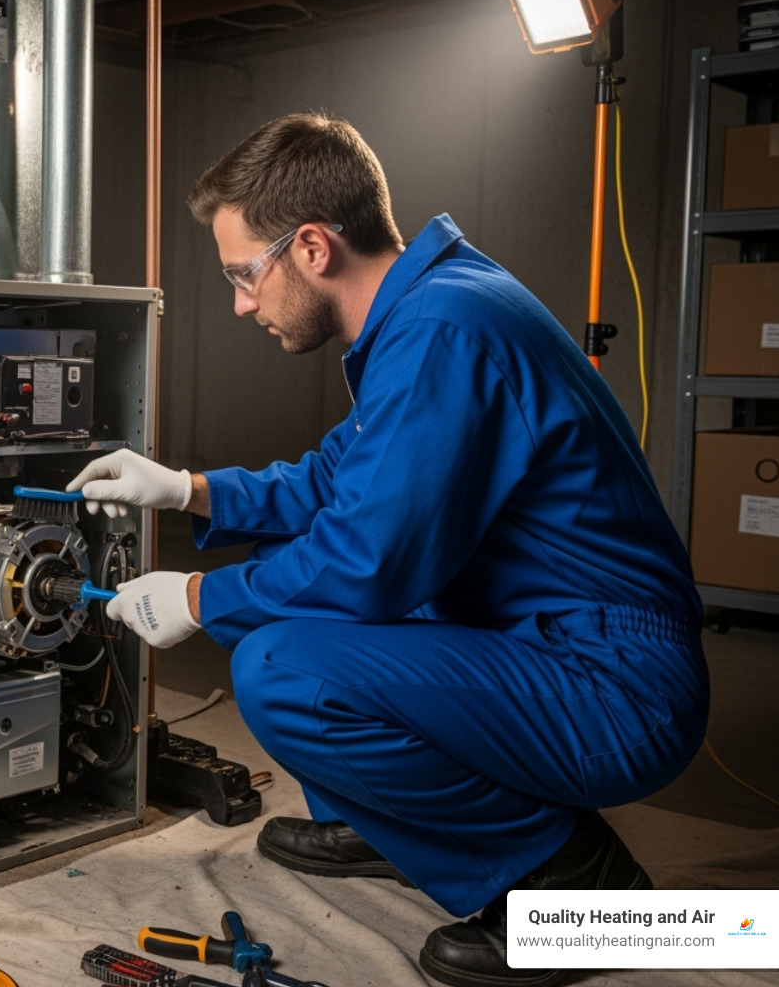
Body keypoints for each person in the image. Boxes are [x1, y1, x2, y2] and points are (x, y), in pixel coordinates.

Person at [66, 113, 708, 987]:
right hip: (544, 643)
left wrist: (196, 599)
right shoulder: (429, 309)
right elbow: (338, 481)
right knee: (309, 632)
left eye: (244, 274)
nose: (242, 303)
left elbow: (366, 563)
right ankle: (394, 820)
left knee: (285, 670)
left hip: (613, 685)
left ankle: (578, 888)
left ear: (312, 247)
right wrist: (186, 489)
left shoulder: (445, 331)